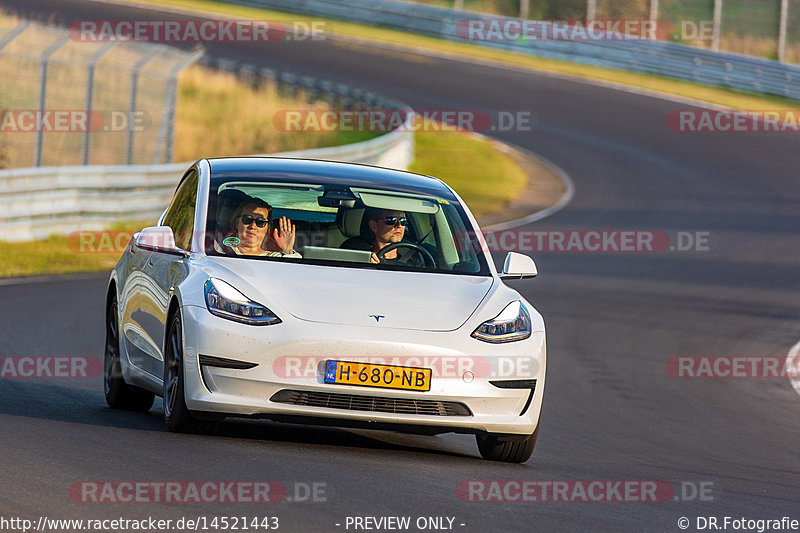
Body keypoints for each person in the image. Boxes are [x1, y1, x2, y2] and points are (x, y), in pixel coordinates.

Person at [228, 197, 300, 257]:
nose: (253, 226)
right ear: (237, 223)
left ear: (267, 228)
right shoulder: (220, 250)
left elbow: (294, 270)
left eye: (260, 222)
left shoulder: (276, 258)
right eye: (247, 219)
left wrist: (287, 251)